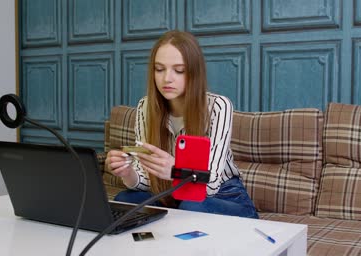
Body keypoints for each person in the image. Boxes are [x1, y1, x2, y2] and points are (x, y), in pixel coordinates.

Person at [105, 30, 258, 219]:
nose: (167, 78)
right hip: (170, 195)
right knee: (124, 200)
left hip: (225, 196)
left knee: (191, 207)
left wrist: (175, 170)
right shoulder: (145, 107)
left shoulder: (218, 106)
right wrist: (127, 172)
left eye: (179, 70)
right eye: (159, 69)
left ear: (193, 73)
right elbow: (145, 179)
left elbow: (210, 187)